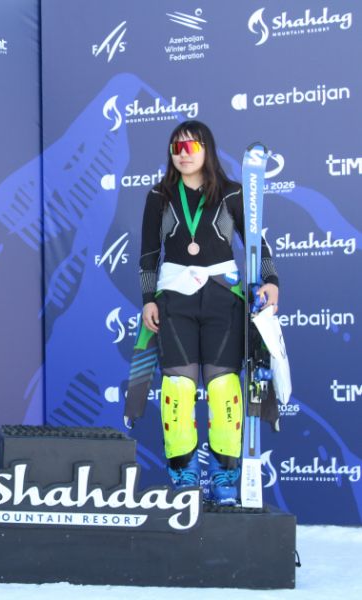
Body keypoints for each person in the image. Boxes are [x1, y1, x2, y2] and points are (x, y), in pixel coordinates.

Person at [139, 120, 279, 505]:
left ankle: (224, 477)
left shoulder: (233, 192)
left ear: (207, 149)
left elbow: (257, 243)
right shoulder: (159, 195)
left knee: (223, 390)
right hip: (174, 300)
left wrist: (271, 280)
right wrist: (148, 299)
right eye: (176, 148)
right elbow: (148, 254)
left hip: (222, 298)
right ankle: (183, 475)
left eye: (191, 147)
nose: (183, 155)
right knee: (178, 389)